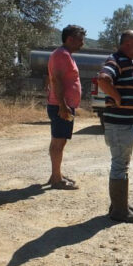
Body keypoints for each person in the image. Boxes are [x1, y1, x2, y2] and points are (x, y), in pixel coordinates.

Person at [96, 30, 133, 223]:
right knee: (119, 166)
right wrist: (117, 98)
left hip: (125, 123)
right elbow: (103, 79)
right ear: (126, 44)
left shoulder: (126, 61)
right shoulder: (116, 60)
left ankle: (120, 204)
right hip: (120, 123)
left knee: (122, 164)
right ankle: (119, 212)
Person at [46, 24, 86, 190]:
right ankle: (56, 179)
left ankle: (56, 174)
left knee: (58, 141)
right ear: (70, 39)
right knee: (58, 142)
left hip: (62, 105)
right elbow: (57, 80)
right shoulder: (62, 55)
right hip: (61, 106)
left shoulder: (65, 54)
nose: (82, 43)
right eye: (80, 40)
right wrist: (62, 106)